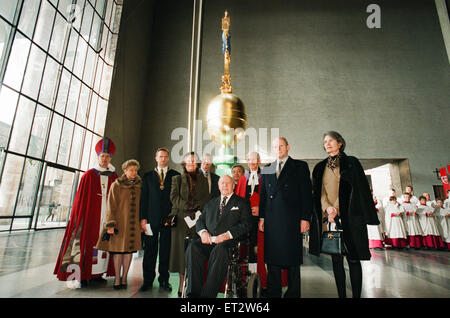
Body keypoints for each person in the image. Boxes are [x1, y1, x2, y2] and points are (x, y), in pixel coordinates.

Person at [310, 131, 379, 298]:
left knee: (353, 259)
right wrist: (328, 209)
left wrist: (338, 209)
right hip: (330, 219)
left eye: (331, 140)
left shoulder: (352, 163)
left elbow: (359, 190)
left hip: (351, 217)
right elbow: (319, 193)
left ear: (340, 143)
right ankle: (341, 295)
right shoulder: (320, 167)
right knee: (336, 259)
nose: (327, 143)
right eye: (325, 141)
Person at [54, 137, 117, 287]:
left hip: (106, 217)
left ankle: (97, 273)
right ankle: (84, 274)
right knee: (88, 244)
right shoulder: (88, 175)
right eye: (102, 156)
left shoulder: (114, 176)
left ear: (111, 158)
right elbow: (80, 200)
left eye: (108, 156)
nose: (105, 159)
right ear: (98, 157)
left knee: (104, 246)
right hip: (90, 217)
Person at [258, 137, 312, 298]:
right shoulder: (267, 168)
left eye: (281, 145)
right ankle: (274, 293)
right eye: (275, 146)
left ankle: (293, 293)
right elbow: (264, 196)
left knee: (293, 259)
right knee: (272, 258)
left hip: (292, 220)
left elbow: (306, 194)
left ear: (288, 147)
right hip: (272, 219)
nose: (278, 148)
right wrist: (262, 217)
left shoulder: (300, 166)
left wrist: (305, 218)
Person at [185, 175, 251, 298]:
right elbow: (200, 221)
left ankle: (208, 296)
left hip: (229, 244)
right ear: (218, 186)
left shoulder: (242, 202)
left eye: (228, 183)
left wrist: (227, 235)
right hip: (209, 241)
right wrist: (203, 232)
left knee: (220, 250)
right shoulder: (211, 203)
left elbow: (246, 224)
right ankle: (193, 294)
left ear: (233, 185)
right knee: (193, 246)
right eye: (222, 183)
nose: (225, 185)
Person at [96, 159, 142, 289]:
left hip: (133, 225)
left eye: (135, 170)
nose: (133, 172)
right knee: (117, 252)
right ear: (125, 171)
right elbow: (111, 205)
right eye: (131, 170)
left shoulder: (140, 185)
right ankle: (117, 278)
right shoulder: (117, 185)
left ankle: (124, 277)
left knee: (128, 251)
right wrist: (110, 224)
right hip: (119, 224)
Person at [139, 148, 180, 292]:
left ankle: (164, 280)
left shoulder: (176, 175)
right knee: (150, 250)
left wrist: (175, 216)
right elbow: (143, 199)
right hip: (150, 219)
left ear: (168, 158)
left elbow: (177, 198)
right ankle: (147, 280)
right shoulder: (148, 176)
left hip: (168, 219)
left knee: (165, 251)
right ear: (156, 158)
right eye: (160, 156)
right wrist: (142, 219)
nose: (163, 159)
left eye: (165, 156)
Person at [169, 152, 210, 297]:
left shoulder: (204, 180)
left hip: (197, 222)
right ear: (184, 164)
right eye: (188, 162)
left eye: (194, 162)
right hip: (180, 221)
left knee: (193, 255)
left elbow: (206, 198)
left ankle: (193, 286)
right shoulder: (177, 179)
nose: (191, 164)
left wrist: (196, 209)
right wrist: (187, 207)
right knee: (181, 255)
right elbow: (174, 197)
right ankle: (181, 286)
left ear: (197, 164)